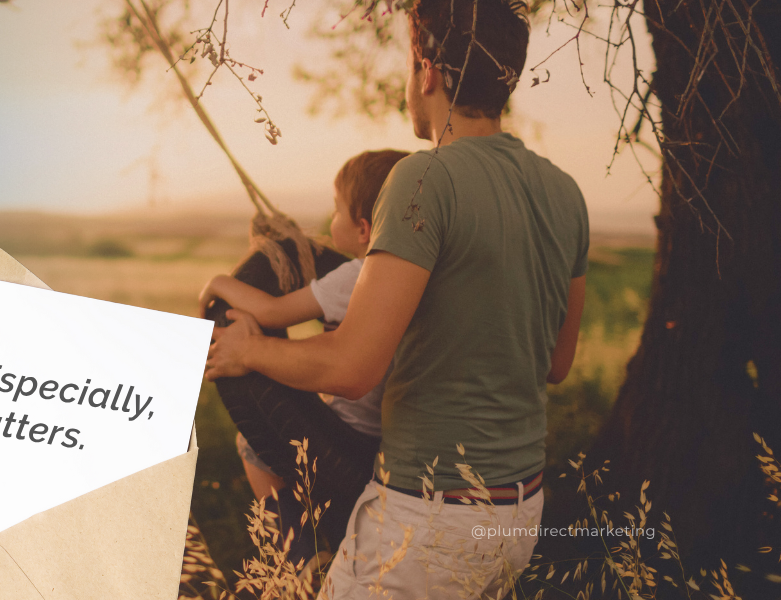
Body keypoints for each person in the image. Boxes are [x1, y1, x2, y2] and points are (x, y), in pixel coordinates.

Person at [205, 0, 589, 597]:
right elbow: (557, 363)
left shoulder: (423, 178)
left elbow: (351, 368)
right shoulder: (564, 193)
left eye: (410, 68)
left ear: (427, 71)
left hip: (428, 518)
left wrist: (248, 352)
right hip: (519, 513)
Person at [199, 150, 408, 501]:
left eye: (337, 209)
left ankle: (285, 530)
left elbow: (272, 312)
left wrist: (218, 283)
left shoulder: (359, 276)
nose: (332, 218)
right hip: (387, 435)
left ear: (363, 229)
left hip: (351, 435)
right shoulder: (412, 277)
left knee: (250, 446)